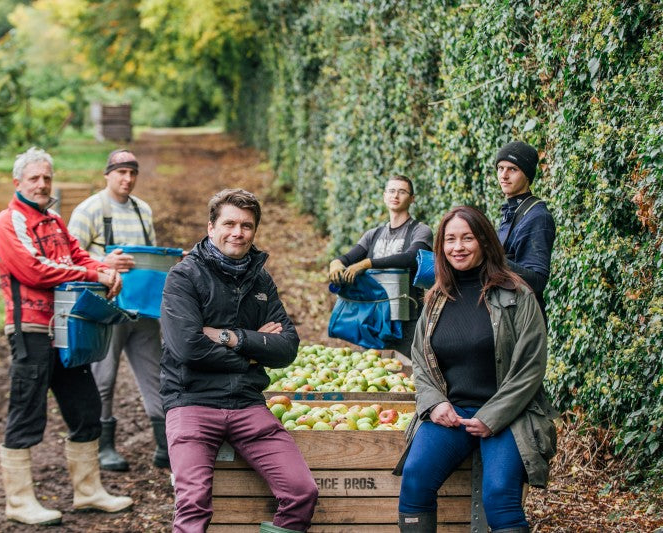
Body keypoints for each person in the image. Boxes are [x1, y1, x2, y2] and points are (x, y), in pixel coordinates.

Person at [159, 189, 318, 533]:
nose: (238, 232)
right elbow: (188, 347)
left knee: (302, 491)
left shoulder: (260, 280)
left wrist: (233, 337)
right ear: (211, 227)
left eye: (246, 225)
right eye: (229, 223)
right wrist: (252, 356)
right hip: (192, 401)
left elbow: (287, 347)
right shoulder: (184, 277)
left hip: (247, 404)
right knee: (193, 503)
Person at [393, 206, 558, 532]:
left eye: (467, 238)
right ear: (440, 246)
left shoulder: (517, 294)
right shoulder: (436, 297)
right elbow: (421, 359)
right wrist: (434, 402)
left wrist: (492, 416)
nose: (458, 247)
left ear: (484, 241)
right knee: (415, 479)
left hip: (509, 414)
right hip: (452, 412)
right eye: (450, 239)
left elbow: (531, 366)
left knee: (499, 495)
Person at [0, 147, 132, 526]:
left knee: (86, 409)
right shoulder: (8, 222)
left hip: (67, 329)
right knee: (27, 412)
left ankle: (89, 492)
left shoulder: (53, 219)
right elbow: (35, 270)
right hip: (31, 330)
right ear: (17, 182)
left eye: (46, 178)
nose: (42, 184)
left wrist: (102, 268)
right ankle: (19, 502)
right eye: (34, 178)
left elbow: (77, 255)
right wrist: (95, 275)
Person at [69, 149, 169, 470]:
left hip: (141, 308)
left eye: (132, 173)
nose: (127, 179)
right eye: (121, 172)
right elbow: (69, 259)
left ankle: (166, 446)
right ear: (107, 174)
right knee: (104, 377)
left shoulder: (143, 210)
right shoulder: (89, 211)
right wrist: (103, 263)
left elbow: (150, 258)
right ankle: (104, 446)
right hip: (105, 309)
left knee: (156, 374)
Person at [328, 175, 433, 357]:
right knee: (373, 375)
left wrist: (367, 263)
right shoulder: (373, 234)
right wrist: (335, 263)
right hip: (373, 320)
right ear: (385, 196)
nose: (396, 195)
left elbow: (411, 258)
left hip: (407, 320)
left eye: (402, 191)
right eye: (391, 191)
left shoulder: (420, 230)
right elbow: (347, 258)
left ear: (412, 198)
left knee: (408, 375)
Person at [494, 141, 556, 324]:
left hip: (525, 320)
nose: (503, 175)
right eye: (500, 168)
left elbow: (537, 281)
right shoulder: (512, 210)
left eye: (512, 169)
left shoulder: (537, 216)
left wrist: (489, 259)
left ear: (527, 175)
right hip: (508, 315)